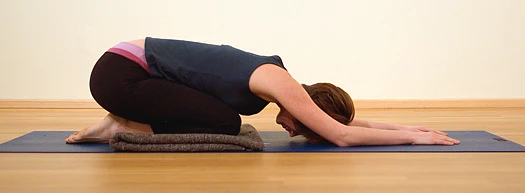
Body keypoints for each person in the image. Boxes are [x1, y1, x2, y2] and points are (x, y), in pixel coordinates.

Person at [65, 37, 460, 146]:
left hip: (125, 74)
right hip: (120, 74)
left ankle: (118, 123)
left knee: (222, 119)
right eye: (306, 126)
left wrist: (415, 130)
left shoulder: (279, 84)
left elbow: (351, 123)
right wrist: (411, 138)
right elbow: (341, 135)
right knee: (225, 122)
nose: (296, 130)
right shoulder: (278, 82)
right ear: (311, 105)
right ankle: (121, 128)